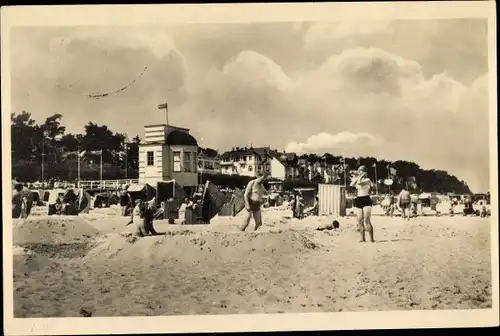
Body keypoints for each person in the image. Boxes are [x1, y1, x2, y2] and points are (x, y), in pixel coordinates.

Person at [350, 165, 375, 243]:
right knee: (360, 220)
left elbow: (360, 183)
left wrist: (360, 176)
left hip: (366, 199)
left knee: (367, 220)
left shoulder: (368, 180)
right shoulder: (357, 179)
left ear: (364, 172)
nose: (358, 172)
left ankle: (371, 239)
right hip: (358, 199)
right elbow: (351, 185)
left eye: (360, 171)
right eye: (358, 171)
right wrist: (358, 177)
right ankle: (362, 238)